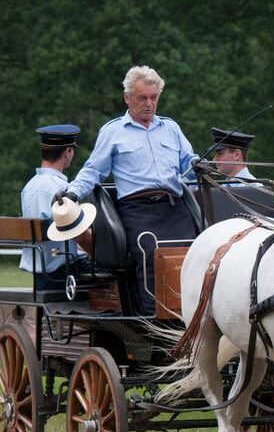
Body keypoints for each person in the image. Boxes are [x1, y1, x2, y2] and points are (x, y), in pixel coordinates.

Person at [56, 65, 200, 314]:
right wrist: (72, 193)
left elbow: (189, 161)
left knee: (193, 254)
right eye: (142, 98)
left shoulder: (171, 128)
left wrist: (200, 165)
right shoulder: (112, 132)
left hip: (174, 207)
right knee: (150, 253)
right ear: (127, 98)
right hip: (137, 209)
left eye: (153, 98)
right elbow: (93, 171)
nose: (149, 104)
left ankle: (192, 316)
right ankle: (153, 321)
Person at [19, 124, 92, 290]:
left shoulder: (28, 187)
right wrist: (103, 255)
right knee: (118, 273)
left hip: (40, 273)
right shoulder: (64, 190)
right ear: (68, 152)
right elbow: (81, 237)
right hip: (63, 273)